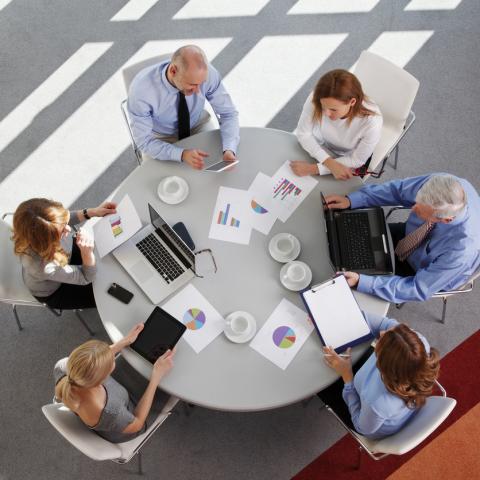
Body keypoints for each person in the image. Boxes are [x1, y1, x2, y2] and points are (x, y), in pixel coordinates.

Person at [325, 174, 480, 303]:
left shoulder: (461, 251)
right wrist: (353, 200)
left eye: (420, 212)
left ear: (446, 220)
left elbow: (418, 288)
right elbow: (397, 191)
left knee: (342, 289)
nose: (413, 208)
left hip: (423, 271)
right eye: (417, 202)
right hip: (409, 236)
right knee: (345, 236)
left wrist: (362, 282)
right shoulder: (441, 183)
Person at [319, 311, 440, 439]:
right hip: (378, 397)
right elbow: (386, 324)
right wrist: (344, 313)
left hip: (368, 420)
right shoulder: (418, 343)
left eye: (381, 340)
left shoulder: (378, 403)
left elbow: (361, 427)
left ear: (382, 364)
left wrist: (347, 375)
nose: (382, 332)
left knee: (322, 382)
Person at [54, 324, 174, 443]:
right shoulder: (111, 413)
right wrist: (156, 377)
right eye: (111, 360)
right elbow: (137, 424)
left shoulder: (64, 367)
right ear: (102, 379)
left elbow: (90, 361)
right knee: (172, 381)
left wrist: (123, 342)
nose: (112, 354)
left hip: (117, 397)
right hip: (129, 420)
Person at [127, 44, 240, 170]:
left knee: (213, 169)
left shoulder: (207, 74)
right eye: (192, 84)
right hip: (160, 137)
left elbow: (228, 114)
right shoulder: (141, 92)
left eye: (201, 84)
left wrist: (229, 149)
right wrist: (181, 154)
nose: (198, 91)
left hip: (197, 124)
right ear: (173, 71)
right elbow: (144, 141)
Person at [12, 198, 116, 309]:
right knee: (105, 296)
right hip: (57, 290)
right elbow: (86, 278)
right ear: (48, 239)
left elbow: (60, 220)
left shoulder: (38, 230)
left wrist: (92, 212)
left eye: (65, 223)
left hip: (60, 258)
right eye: (62, 230)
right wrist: (87, 253)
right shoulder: (43, 266)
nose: (68, 228)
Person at [292, 69, 382, 180]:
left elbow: (357, 160)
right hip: (322, 147)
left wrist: (313, 169)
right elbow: (303, 134)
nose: (326, 113)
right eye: (323, 106)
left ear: (352, 102)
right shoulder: (318, 98)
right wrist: (329, 162)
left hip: (349, 159)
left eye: (333, 109)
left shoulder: (372, 122)